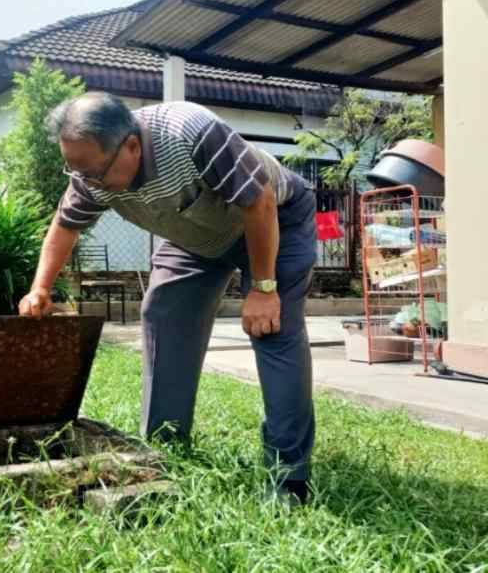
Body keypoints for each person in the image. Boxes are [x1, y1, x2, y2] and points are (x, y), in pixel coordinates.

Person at [18, 93, 317, 505]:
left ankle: (289, 480)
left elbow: (259, 200)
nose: (87, 183)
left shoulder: (190, 132)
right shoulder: (92, 173)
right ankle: (165, 450)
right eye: (76, 171)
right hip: (194, 236)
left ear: (132, 146)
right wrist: (40, 288)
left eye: (94, 172)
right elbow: (65, 225)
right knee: (163, 315)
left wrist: (264, 288)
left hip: (272, 219)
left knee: (272, 331)